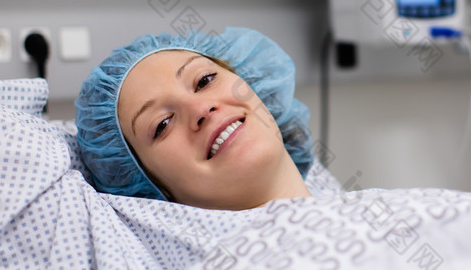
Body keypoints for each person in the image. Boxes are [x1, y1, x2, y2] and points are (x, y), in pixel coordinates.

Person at [75, 27, 315, 210]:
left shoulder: (351, 210)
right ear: (154, 190)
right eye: (163, 124)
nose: (201, 108)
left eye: (204, 80)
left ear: (250, 83)